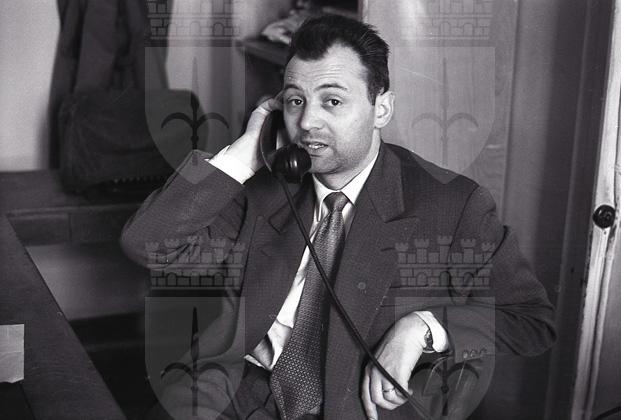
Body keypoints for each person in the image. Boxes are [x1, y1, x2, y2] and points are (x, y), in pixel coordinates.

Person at [121, 14, 556, 420]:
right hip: (235, 392)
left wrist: (423, 327)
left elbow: (531, 321)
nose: (308, 121)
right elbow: (149, 245)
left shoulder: (454, 205)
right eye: (295, 101)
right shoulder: (263, 187)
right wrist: (242, 156)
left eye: (332, 101)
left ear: (381, 109)